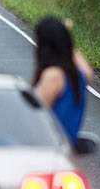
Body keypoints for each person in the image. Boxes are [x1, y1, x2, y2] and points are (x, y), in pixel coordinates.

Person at [33, 16, 94, 147]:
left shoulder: (54, 76)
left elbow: (32, 115)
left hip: (47, 149)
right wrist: (64, 36)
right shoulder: (77, 77)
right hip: (65, 151)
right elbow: (88, 72)